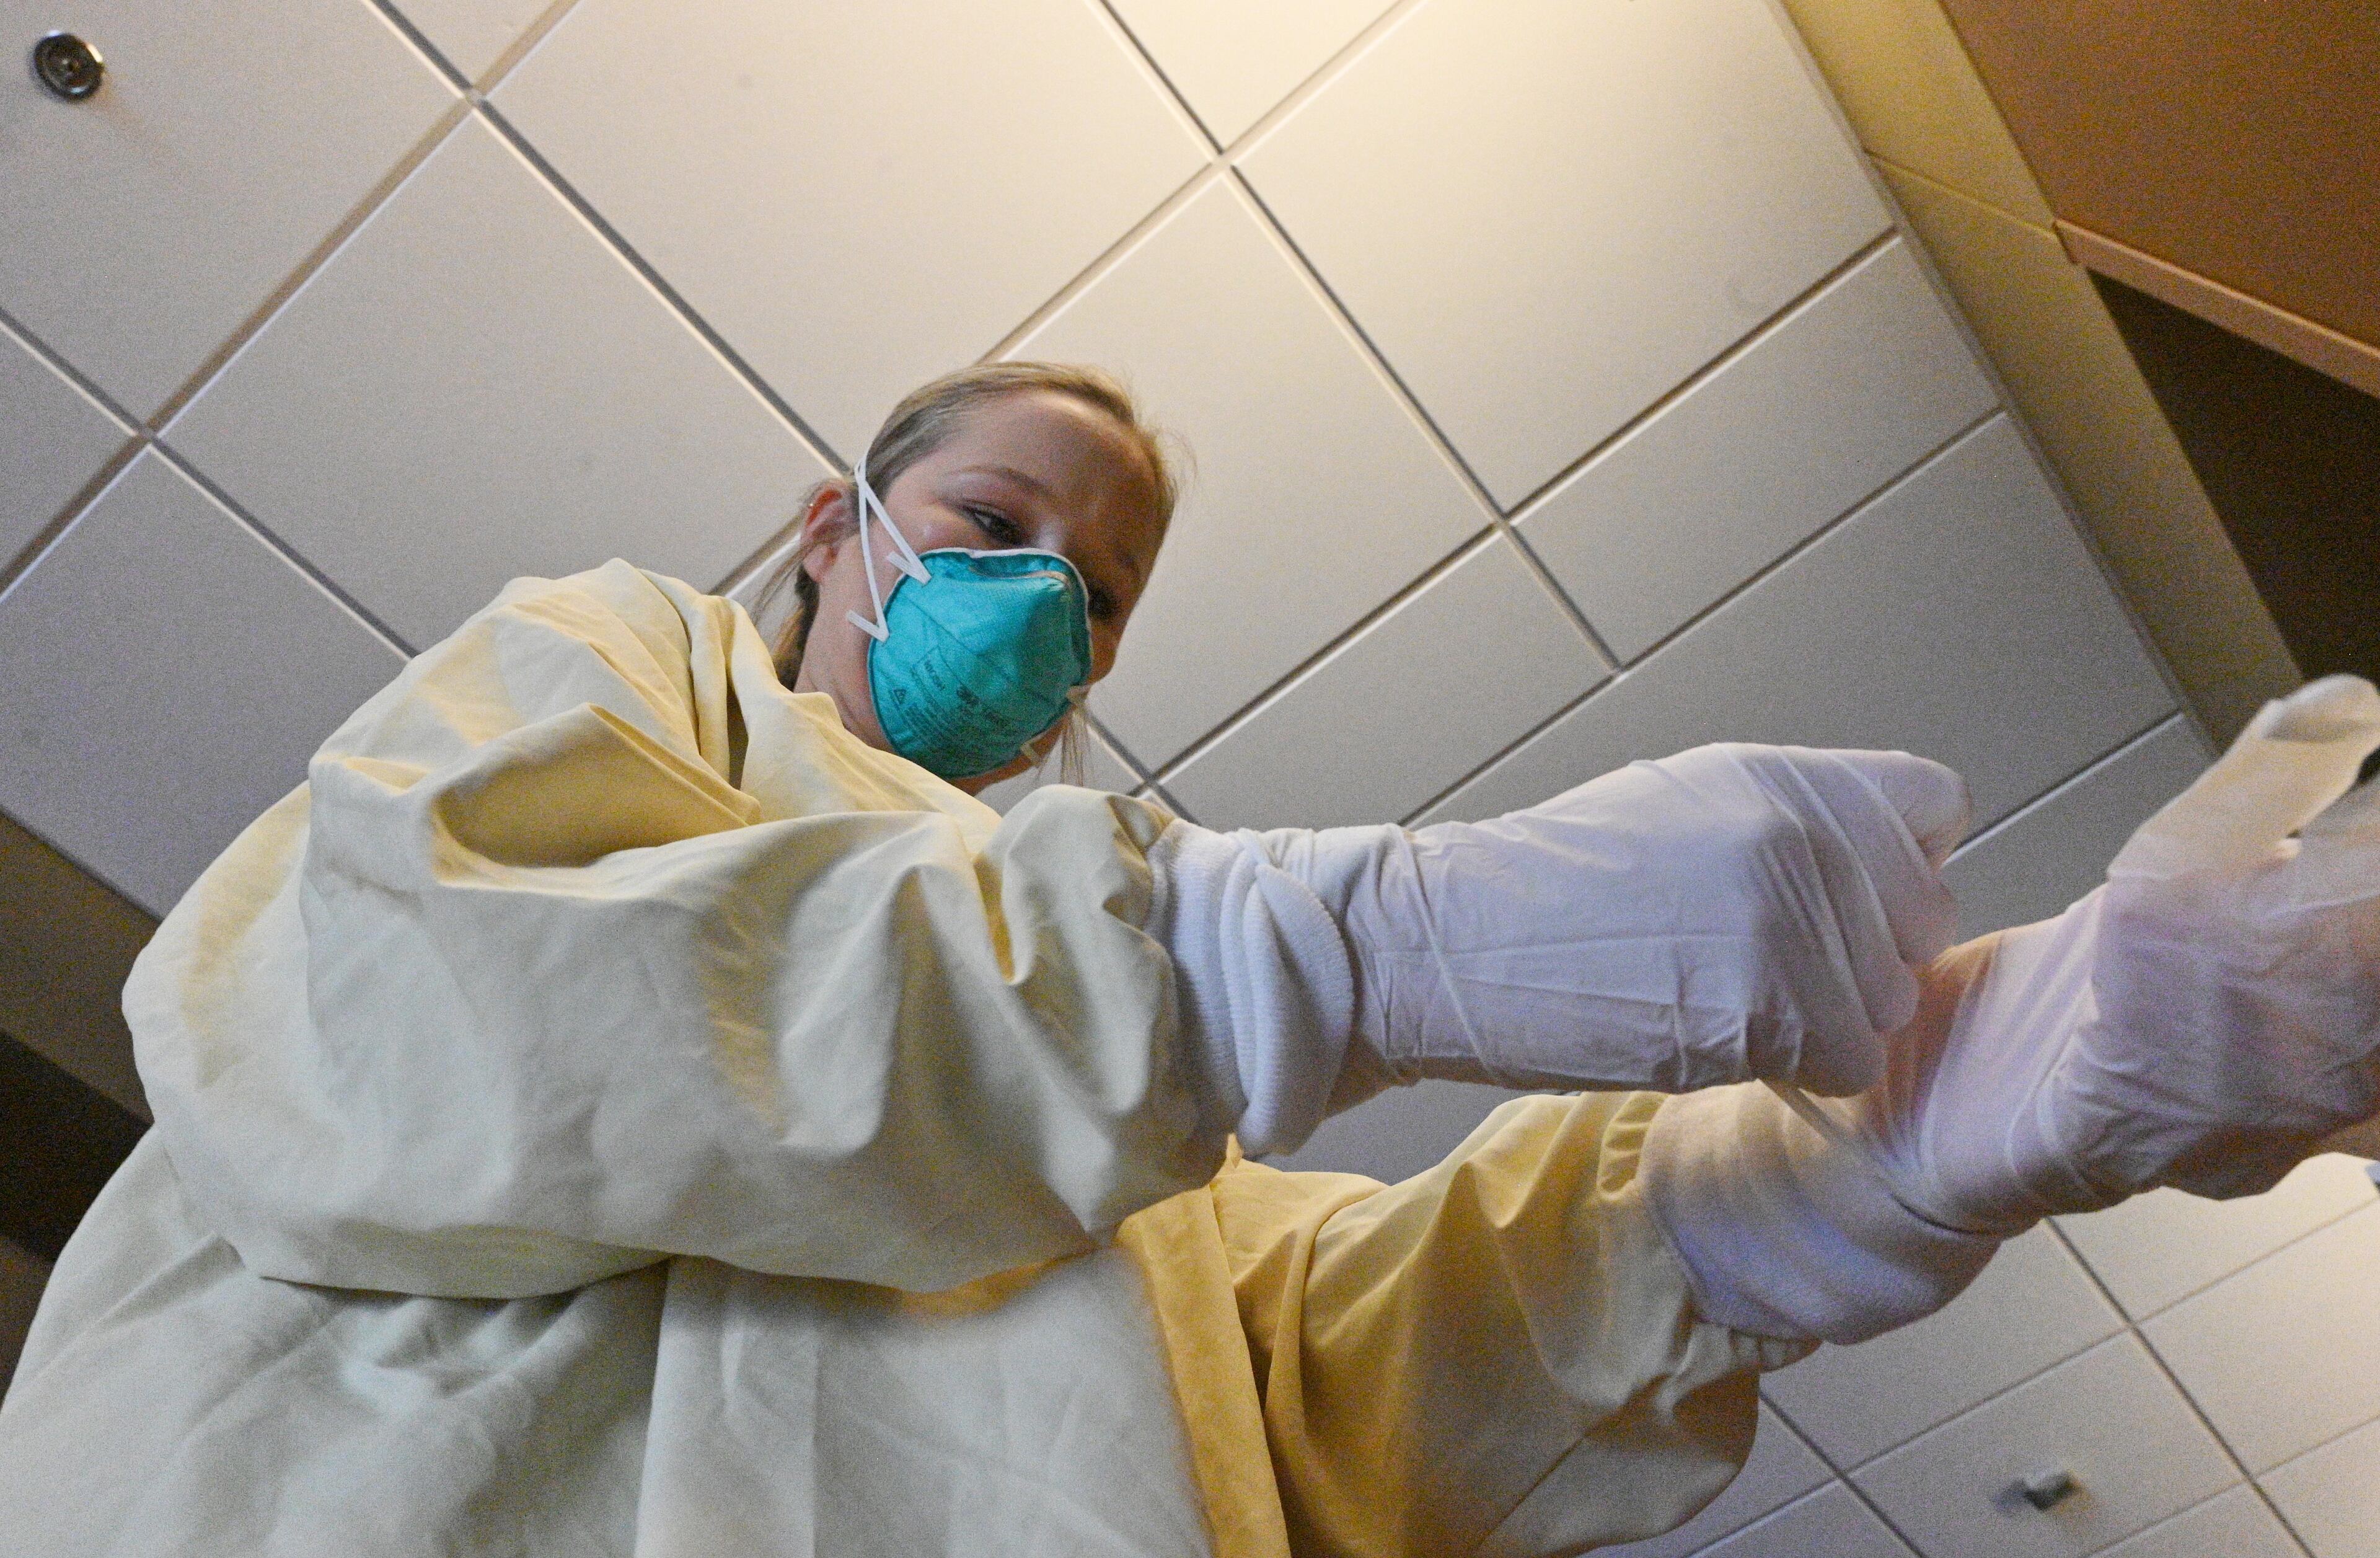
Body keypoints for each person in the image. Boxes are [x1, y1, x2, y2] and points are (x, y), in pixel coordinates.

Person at [1, 361, 2373, 1558]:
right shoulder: (625, 682)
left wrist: (1864, 1165)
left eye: (1102, 588)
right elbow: (448, 1009)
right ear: (840, 528)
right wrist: (1333, 940)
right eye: (992, 520)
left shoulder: (1146, 1097)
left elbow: (1321, 1432)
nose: (1050, 595)